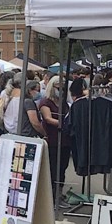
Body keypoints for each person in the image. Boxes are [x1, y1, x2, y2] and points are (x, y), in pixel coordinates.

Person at [37, 76, 72, 209]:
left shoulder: (64, 103)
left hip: (65, 141)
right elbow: (48, 118)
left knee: (62, 168)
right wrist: (65, 123)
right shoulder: (45, 103)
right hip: (52, 139)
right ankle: (51, 196)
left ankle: (59, 194)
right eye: (59, 88)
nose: (61, 91)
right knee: (53, 169)